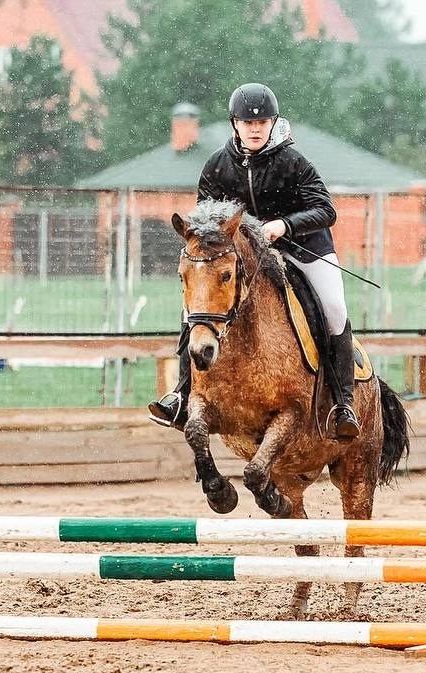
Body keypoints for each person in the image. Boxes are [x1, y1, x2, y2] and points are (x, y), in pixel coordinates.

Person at [148, 82, 361, 441]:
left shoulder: (293, 163)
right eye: (248, 123)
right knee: (194, 313)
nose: (255, 128)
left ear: (273, 123)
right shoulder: (218, 165)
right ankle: (181, 396)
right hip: (245, 256)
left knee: (334, 309)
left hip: (303, 248)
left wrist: (285, 224)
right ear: (235, 124)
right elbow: (204, 220)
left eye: (262, 123)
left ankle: (343, 403)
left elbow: (326, 210)